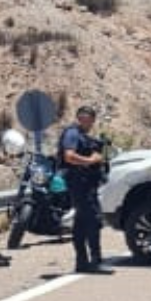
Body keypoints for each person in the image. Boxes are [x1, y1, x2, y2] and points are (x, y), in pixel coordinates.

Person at [58, 105, 111, 274]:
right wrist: (91, 160)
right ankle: (95, 260)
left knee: (81, 223)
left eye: (90, 119)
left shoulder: (82, 135)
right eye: (84, 118)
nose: (87, 122)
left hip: (85, 184)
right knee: (92, 220)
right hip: (79, 183)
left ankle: (82, 261)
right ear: (79, 118)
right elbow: (69, 156)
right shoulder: (72, 133)